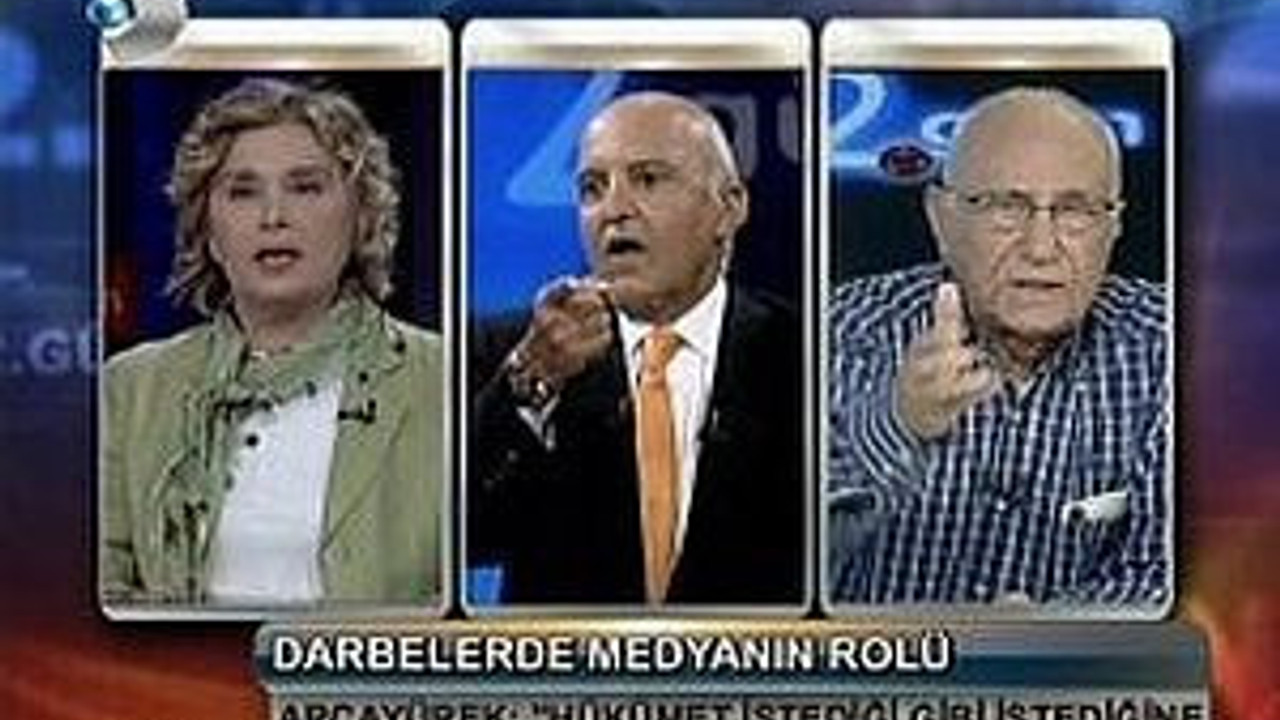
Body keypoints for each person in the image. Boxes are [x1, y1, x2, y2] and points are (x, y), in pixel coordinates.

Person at [102, 78, 444, 607]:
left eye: (305, 188)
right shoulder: (131, 388)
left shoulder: (440, 380)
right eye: (243, 192)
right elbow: (100, 590)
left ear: (361, 218)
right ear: (208, 231)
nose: (273, 217)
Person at [828, 87, 1170, 607]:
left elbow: (1171, 572)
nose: (1041, 248)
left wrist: (1050, 634)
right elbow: (781, 557)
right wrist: (898, 426)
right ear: (941, 219)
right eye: (1006, 207)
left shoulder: (1175, 351)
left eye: (1075, 210)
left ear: (1113, 225)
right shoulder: (840, 333)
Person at [469, 91, 804, 605]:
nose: (614, 210)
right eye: (592, 188)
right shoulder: (512, 352)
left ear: (729, 207)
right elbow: (457, 535)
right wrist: (533, 382)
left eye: (648, 179)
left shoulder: (803, 353)